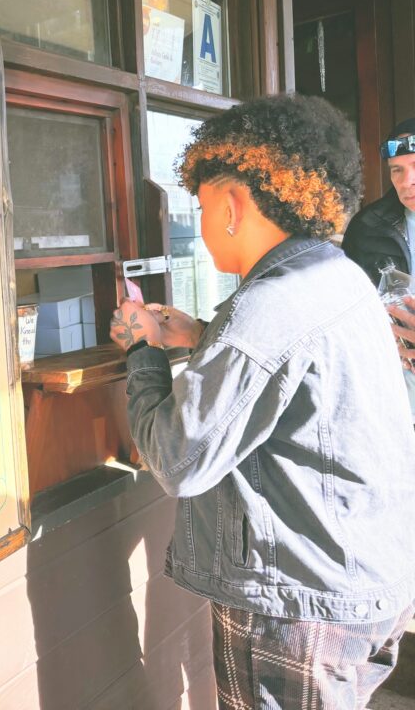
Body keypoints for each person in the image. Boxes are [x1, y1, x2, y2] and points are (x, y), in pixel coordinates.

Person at [109, 95, 415, 709]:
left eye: (201, 206)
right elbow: (294, 366)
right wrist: (197, 333)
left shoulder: (268, 303)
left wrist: (141, 353)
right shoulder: (335, 272)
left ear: (232, 204)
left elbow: (179, 458)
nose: (200, 222)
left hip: (299, 606)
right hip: (362, 582)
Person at [342, 117, 415, 420]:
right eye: (396, 170)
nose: (405, 180)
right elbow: (342, 308)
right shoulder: (367, 227)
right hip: (394, 386)